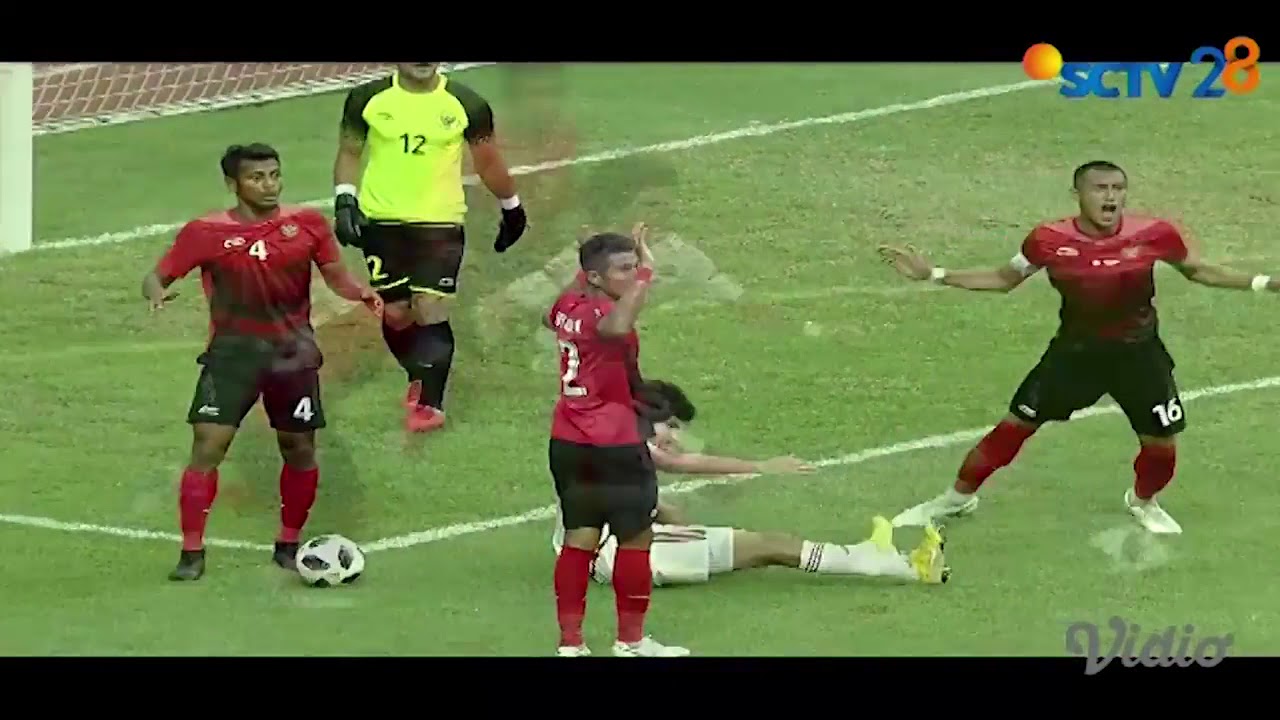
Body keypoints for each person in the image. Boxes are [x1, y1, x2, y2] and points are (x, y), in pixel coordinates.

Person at [878, 160, 1279, 535]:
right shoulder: (1048, 240)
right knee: (1013, 429)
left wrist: (1265, 283)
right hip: (1074, 357)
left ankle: (1142, 501)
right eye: (1100, 188)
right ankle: (956, 500)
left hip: (1140, 356)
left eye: (1118, 188)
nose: (1111, 196)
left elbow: (1198, 270)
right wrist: (934, 275)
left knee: (1161, 448)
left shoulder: (1154, 234)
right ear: (1078, 194)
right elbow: (1003, 279)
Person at [142, 143, 382, 582]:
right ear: (232, 184)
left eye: (274, 175)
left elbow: (335, 275)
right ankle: (191, 552)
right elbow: (157, 275)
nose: (269, 185)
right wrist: (156, 291)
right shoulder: (205, 232)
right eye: (256, 178)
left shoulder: (307, 224)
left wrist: (359, 292)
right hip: (231, 358)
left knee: (299, 448)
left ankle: (288, 543)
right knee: (207, 447)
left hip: (293, 358)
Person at [551, 379, 950, 594]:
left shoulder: (599, 437)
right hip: (620, 555)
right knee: (768, 546)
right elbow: (681, 463)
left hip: (611, 549)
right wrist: (760, 466)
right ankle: (895, 565)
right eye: (670, 426)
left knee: (755, 542)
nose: (674, 438)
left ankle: (874, 557)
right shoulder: (622, 442)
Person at [332, 63, 527, 433]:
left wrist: (512, 207)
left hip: (440, 223)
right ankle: (418, 375)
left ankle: (430, 404)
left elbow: (488, 161)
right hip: (381, 222)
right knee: (396, 314)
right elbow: (350, 152)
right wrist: (345, 199)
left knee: (430, 306)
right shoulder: (367, 98)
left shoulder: (467, 103)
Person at [547, 225, 688, 658]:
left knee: (579, 538)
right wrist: (647, 273)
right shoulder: (604, 316)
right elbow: (618, 325)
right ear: (595, 277)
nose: (631, 274)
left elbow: (552, 316)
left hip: (569, 441)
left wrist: (591, 263)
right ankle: (631, 641)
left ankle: (571, 644)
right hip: (614, 444)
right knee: (635, 539)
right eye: (622, 269)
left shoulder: (567, 306)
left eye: (632, 267)